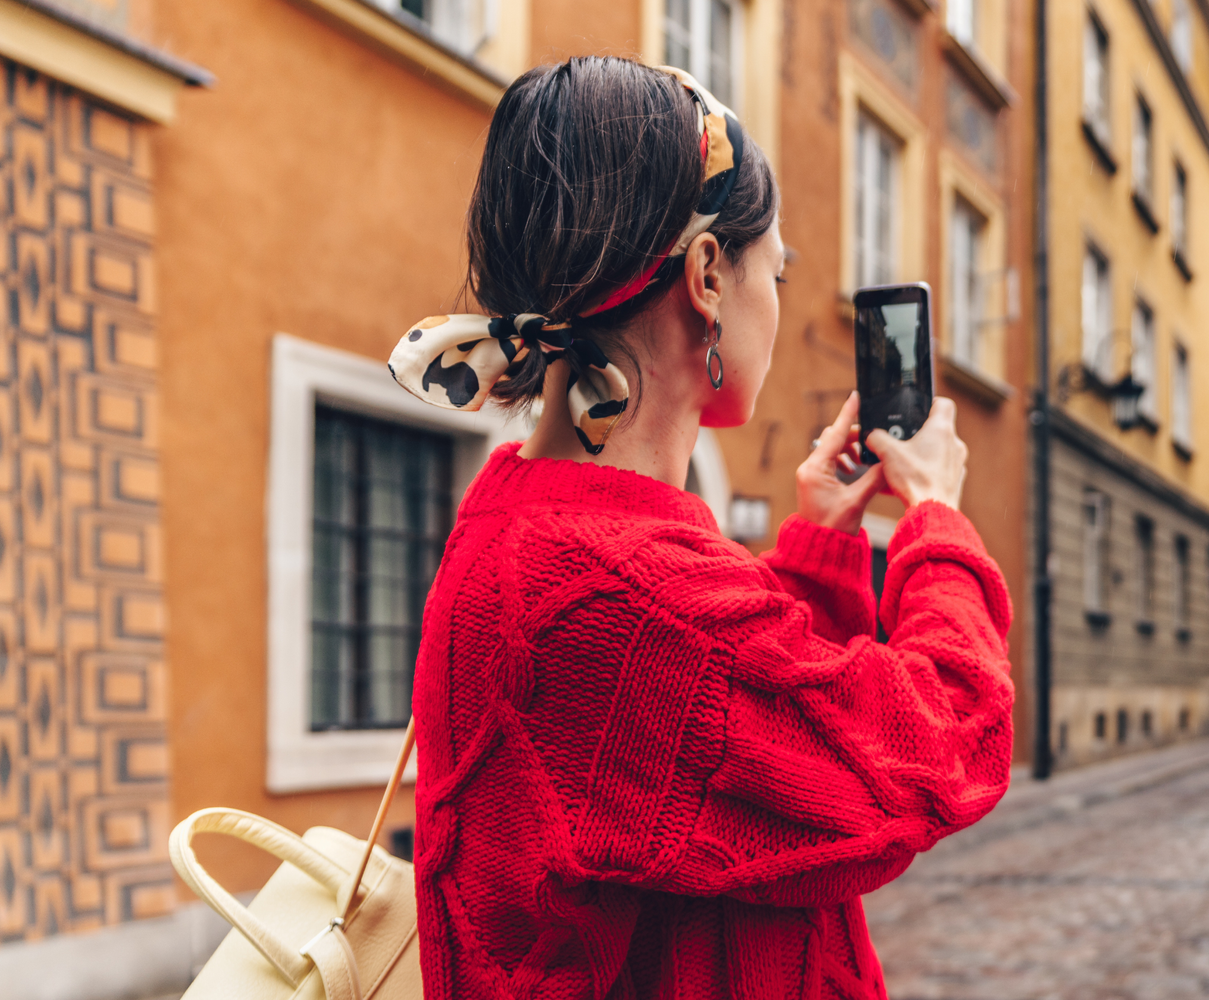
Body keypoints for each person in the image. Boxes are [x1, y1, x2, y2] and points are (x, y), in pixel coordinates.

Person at [385, 58, 1014, 999]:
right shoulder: (630, 592)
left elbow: (715, 761)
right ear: (709, 275)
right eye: (778, 268)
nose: (782, 299)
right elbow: (937, 749)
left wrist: (818, 548)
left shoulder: (532, 526)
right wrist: (936, 522)